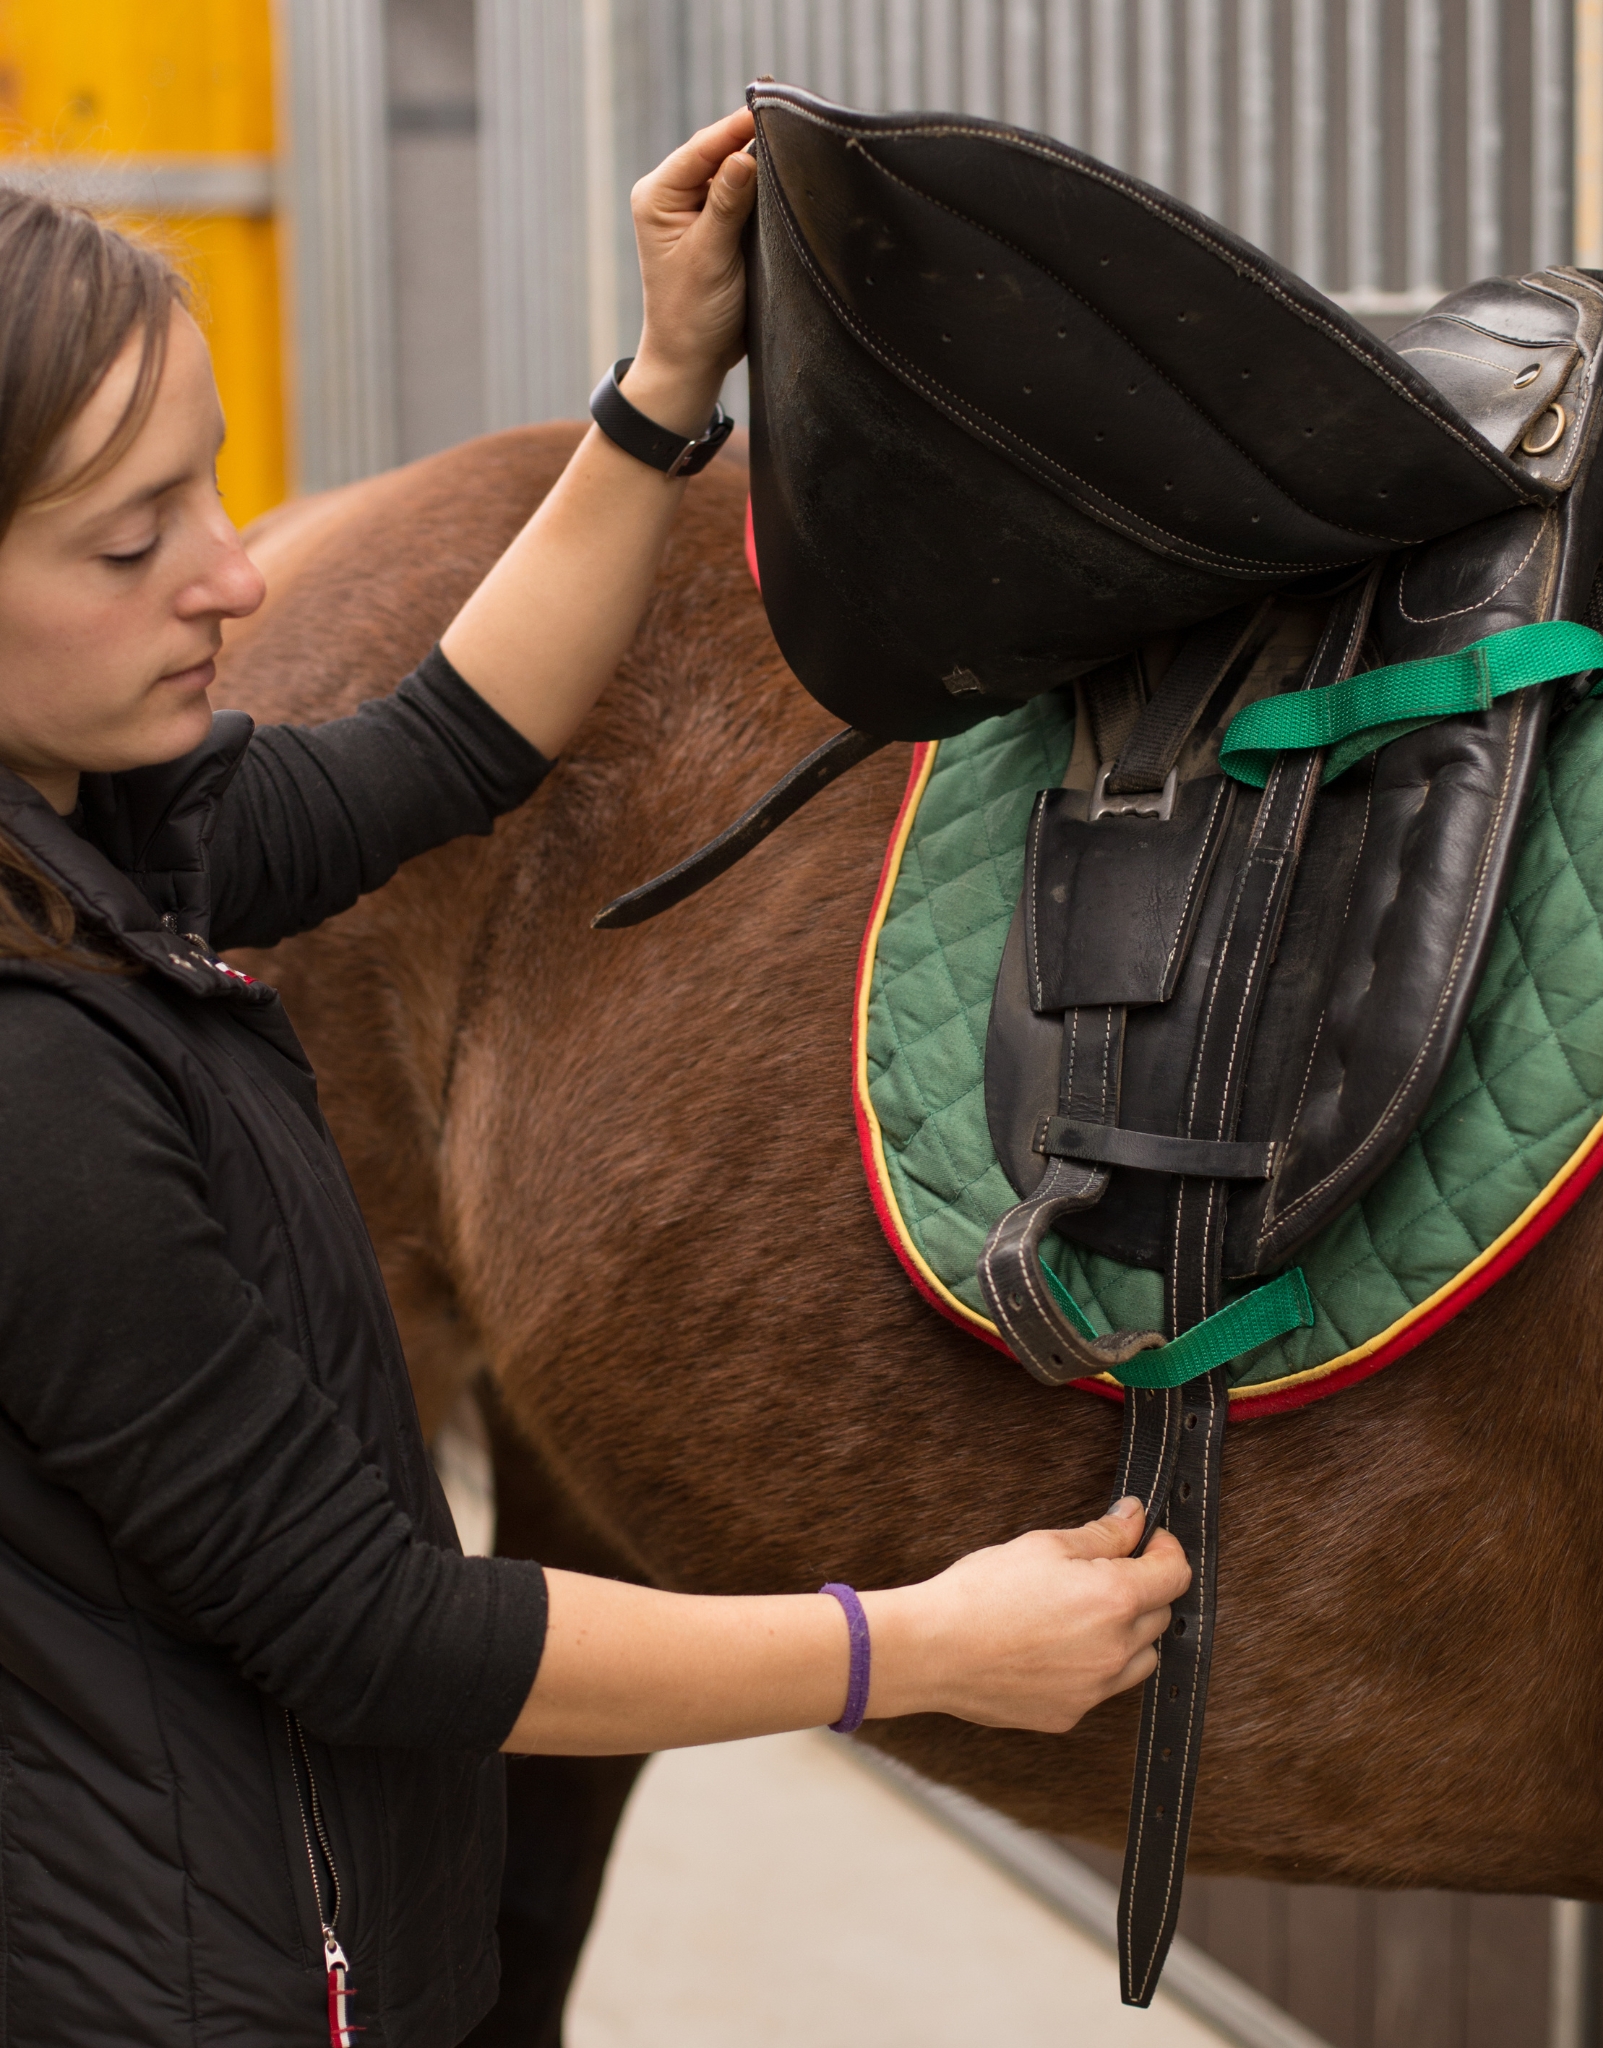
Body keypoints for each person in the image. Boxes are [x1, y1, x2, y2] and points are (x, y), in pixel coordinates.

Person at [0, 108, 1189, 2048]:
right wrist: (918, 1645)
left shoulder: (108, 833)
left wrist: (656, 390)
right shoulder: (32, 1095)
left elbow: (439, 751)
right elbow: (377, 1625)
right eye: (133, 540)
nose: (231, 577)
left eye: (209, 491)